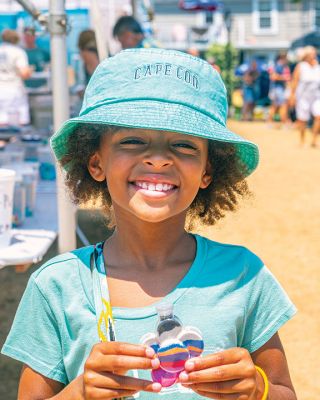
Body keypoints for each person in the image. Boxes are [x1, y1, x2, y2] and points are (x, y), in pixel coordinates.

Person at [1, 49, 297, 400]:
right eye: (132, 140)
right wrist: (79, 392)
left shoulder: (242, 275)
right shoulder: (56, 286)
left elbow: (284, 392)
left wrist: (257, 388)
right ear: (96, 163)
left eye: (184, 144)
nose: (158, 158)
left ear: (207, 171)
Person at [0, 29, 32, 126]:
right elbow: (24, 73)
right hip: (14, 91)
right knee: (17, 124)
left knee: (2, 123)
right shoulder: (18, 52)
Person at [290, 45, 320, 147]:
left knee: (318, 117)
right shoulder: (301, 66)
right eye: (311, 54)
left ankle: (314, 140)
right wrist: (292, 95)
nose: (313, 55)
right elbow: (295, 81)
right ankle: (302, 140)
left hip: (316, 97)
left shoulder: (318, 67)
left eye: (314, 53)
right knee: (303, 120)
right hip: (303, 97)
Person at [268, 53, 291, 128]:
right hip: (277, 89)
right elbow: (273, 77)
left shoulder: (277, 65)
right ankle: (284, 123)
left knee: (275, 106)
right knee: (282, 105)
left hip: (276, 89)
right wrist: (285, 78)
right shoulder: (279, 66)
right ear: (283, 58)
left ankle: (270, 122)